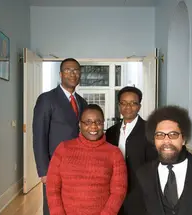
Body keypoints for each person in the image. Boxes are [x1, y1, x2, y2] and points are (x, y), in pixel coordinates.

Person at [46, 104, 128, 215]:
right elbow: (52, 188)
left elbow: (119, 191)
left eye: (98, 122)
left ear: (103, 124)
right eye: (88, 122)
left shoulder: (114, 153)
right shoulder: (63, 149)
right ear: (80, 124)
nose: (93, 127)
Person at [32, 58, 88, 215]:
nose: (73, 74)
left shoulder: (82, 102)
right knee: (53, 208)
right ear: (60, 74)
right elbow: (39, 136)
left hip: (79, 165)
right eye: (68, 70)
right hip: (55, 166)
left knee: (75, 206)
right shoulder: (47, 99)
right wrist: (43, 171)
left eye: (76, 70)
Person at [105, 86, 157, 215]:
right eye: (124, 103)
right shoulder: (111, 132)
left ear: (139, 106)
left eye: (133, 103)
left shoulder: (149, 131)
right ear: (119, 105)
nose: (128, 107)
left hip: (140, 193)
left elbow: (154, 165)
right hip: (115, 191)